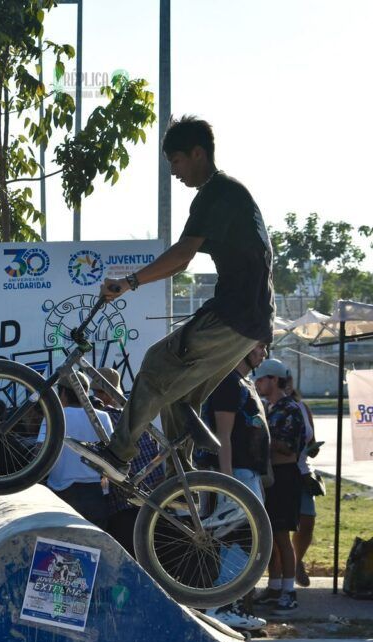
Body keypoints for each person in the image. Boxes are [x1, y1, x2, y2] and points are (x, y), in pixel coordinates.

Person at [69, 116, 275, 484]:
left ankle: (118, 454)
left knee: (155, 365)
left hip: (233, 315)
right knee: (181, 400)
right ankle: (182, 485)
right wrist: (134, 283)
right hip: (251, 323)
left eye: (176, 163)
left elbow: (182, 255)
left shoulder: (217, 193)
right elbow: (180, 264)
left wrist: (129, 282)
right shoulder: (230, 194)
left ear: (198, 153)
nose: (174, 173)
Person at [196, 343, 270, 630]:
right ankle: (220, 604)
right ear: (244, 348)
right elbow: (222, 437)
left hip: (248, 473)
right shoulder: (226, 382)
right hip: (234, 474)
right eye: (260, 347)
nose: (264, 353)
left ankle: (227, 604)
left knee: (243, 540)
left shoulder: (243, 382)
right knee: (242, 538)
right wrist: (228, 485)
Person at [93, 368, 164, 557]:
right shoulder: (142, 420)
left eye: (96, 392)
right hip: (153, 507)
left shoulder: (100, 420)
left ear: (105, 394)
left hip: (122, 510)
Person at [254, 358, 306, 615]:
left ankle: (289, 590)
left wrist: (262, 434)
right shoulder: (270, 407)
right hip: (272, 475)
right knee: (271, 535)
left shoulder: (290, 408)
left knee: (283, 536)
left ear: (274, 380)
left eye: (261, 379)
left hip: (285, 475)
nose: (257, 384)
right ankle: (274, 587)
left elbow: (288, 447)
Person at [40, 372, 112, 528]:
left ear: (63, 393)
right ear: (85, 393)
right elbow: (112, 454)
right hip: (95, 492)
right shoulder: (103, 417)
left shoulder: (53, 417)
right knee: (96, 543)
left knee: (64, 544)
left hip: (61, 492)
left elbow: (39, 453)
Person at [287, 378, 319, 588]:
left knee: (307, 520)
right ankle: (284, 573)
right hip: (283, 471)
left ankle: (298, 561)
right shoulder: (270, 406)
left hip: (303, 471)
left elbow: (313, 442)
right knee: (280, 527)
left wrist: (313, 448)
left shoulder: (302, 407)